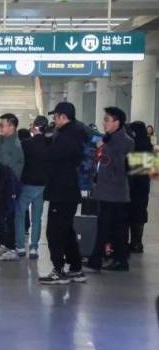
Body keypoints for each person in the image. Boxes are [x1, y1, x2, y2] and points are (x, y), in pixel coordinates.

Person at [39, 102, 88, 284]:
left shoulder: (68, 136)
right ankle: (75, 268)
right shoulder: (74, 133)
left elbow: (50, 156)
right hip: (67, 190)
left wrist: (45, 140)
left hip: (62, 191)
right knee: (66, 230)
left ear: (63, 117)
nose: (54, 120)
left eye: (56, 116)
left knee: (55, 232)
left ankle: (58, 270)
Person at [85, 107, 135, 272]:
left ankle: (97, 260)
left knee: (106, 227)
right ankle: (119, 260)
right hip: (106, 191)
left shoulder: (126, 141)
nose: (104, 123)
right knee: (115, 228)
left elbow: (123, 166)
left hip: (115, 193)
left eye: (107, 120)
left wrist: (105, 147)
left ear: (117, 122)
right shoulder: (108, 138)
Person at [0, 113, 24, 261]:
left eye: (2, 125)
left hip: (10, 185)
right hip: (1, 184)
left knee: (7, 216)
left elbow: (4, 164)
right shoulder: (1, 142)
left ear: (12, 127)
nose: (0, 127)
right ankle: (4, 243)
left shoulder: (14, 144)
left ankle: (11, 247)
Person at [16, 116, 49, 260]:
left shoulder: (26, 144)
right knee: (37, 218)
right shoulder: (50, 143)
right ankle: (34, 248)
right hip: (42, 185)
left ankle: (20, 246)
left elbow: (20, 163)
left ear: (35, 127)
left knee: (20, 214)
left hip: (27, 183)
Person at [127, 121, 152, 254]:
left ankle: (135, 243)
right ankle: (137, 243)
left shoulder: (136, 146)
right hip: (144, 186)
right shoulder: (147, 145)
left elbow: (133, 171)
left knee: (133, 213)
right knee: (140, 214)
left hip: (135, 187)